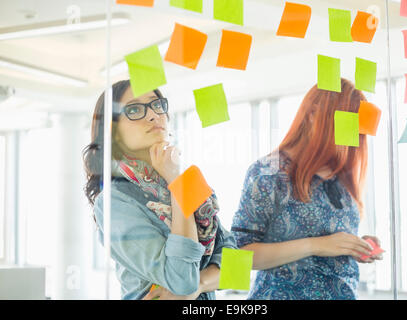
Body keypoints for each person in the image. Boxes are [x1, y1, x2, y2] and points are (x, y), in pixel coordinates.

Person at [82, 79, 237, 300]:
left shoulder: (187, 180)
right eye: (134, 109)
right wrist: (176, 183)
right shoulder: (114, 201)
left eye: (156, 105)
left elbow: (238, 264)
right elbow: (181, 280)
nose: (153, 115)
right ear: (113, 131)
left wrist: (200, 285)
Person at [231, 78, 383, 300]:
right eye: (345, 126)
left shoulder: (340, 177)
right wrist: (316, 245)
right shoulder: (267, 172)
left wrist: (353, 246)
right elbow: (238, 258)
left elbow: (329, 240)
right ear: (313, 114)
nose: (349, 140)